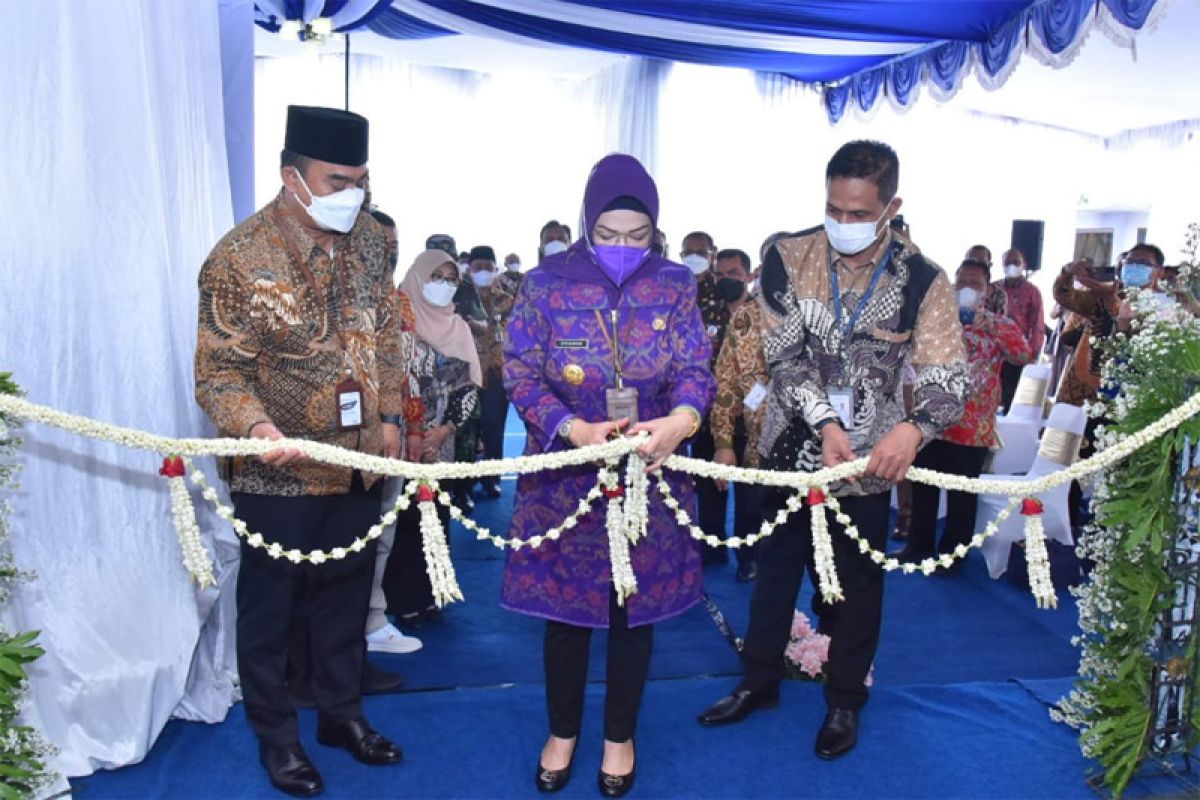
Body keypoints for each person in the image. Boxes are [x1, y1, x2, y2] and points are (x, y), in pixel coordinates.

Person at [697, 140, 968, 760]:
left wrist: (914, 428)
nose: (843, 224)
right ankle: (758, 682)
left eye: (857, 213)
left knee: (856, 582)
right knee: (774, 570)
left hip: (872, 460)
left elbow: (948, 376)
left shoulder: (922, 279)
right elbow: (785, 356)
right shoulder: (786, 255)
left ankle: (845, 699)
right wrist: (823, 422)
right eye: (833, 210)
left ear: (891, 206)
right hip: (788, 443)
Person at [194, 105, 404, 797]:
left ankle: (341, 715)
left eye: (362, 180)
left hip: (359, 461)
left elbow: (386, 337)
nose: (355, 194)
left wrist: (392, 419)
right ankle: (277, 737)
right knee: (272, 607)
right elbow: (219, 374)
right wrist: (256, 430)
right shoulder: (239, 256)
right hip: (276, 470)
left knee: (347, 594)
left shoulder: (373, 240)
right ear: (293, 176)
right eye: (338, 179)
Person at [502, 153, 715, 797]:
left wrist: (682, 418)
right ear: (586, 223)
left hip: (650, 475)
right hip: (567, 477)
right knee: (565, 616)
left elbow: (695, 367)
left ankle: (619, 735)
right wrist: (572, 429)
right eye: (608, 234)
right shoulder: (544, 284)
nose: (623, 247)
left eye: (637, 236)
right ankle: (562, 731)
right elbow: (518, 370)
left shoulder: (675, 284)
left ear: (656, 230)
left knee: (633, 613)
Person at [896, 257, 1033, 567]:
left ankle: (951, 557)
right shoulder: (937, 320)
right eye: (962, 282)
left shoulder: (999, 325)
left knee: (962, 495)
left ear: (987, 290)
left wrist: (988, 323)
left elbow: (1023, 355)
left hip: (972, 426)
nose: (967, 288)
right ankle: (917, 548)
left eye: (975, 284)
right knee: (924, 487)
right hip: (931, 421)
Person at [383, 249, 483, 626]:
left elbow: (468, 388)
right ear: (418, 277)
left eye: (450, 278)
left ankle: (431, 594)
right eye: (435, 277)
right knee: (401, 519)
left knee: (437, 517)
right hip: (399, 440)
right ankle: (401, 599)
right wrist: (408, 427)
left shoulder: (457, 327)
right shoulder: (394, 321)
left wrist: (444, 430)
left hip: (440, 442)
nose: (443, 285)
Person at [362, 209, 425, 658]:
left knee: (384, 534)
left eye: (396, 244)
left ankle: (373, 620)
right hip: (352, 439)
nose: (391, 251)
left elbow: (410, 373)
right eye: (382, 242)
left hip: (397, 435)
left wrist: (414, 430)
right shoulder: (342, 298)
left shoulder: (399, 300)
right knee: (353, 538)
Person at [708, 247, 764, 582]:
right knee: (738, 496)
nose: (725, 281)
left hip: (778, 426)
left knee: (757, 501)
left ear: (749, 275)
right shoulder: (715, 316)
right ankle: (735, 555)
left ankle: (753, 558)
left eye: (733, 274)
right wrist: (723, 437)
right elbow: (724, 381)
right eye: (720, 274)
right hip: (725, 419)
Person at [679, 230, 733, 565]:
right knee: (675, 472)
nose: (693, 256)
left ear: (712, 254)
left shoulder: (723, 294)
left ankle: (712, 543)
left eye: (700, 251)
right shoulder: (674, 288)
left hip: (713, 398)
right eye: (688, 251)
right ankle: (679, 541)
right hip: (675, 399)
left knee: (711, 474)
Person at [467, 245, 516, 499]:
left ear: (496, 269)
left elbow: (512, 332)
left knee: (494, 430)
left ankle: (492, 478)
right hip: (465, 375)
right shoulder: (461, 297)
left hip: (497, 375)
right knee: (468, 432)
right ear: (469, 269)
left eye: (488, 267)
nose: (483, 272)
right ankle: (464, 482)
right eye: (478, 267)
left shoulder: (507, 299)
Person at [992, 248, 1045, 411]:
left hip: (1019, 352)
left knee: (1013, 395)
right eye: (1008, 263)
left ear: (1024, 265)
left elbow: (1037, 323)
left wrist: (1034, 351)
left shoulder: (1032, 292)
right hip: (994, 351)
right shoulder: (994, 288)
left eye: (1016, 262)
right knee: (992, 394)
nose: (1011, 266)